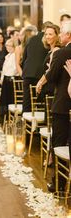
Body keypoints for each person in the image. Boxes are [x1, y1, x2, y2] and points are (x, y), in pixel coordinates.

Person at [38, 21, 71, 192]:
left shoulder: (62, 52)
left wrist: (42, 80)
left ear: (67, 35)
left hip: (62, 104)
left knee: (58, 144)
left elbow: (51, 75)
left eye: (63, 34)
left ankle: (59, 184)